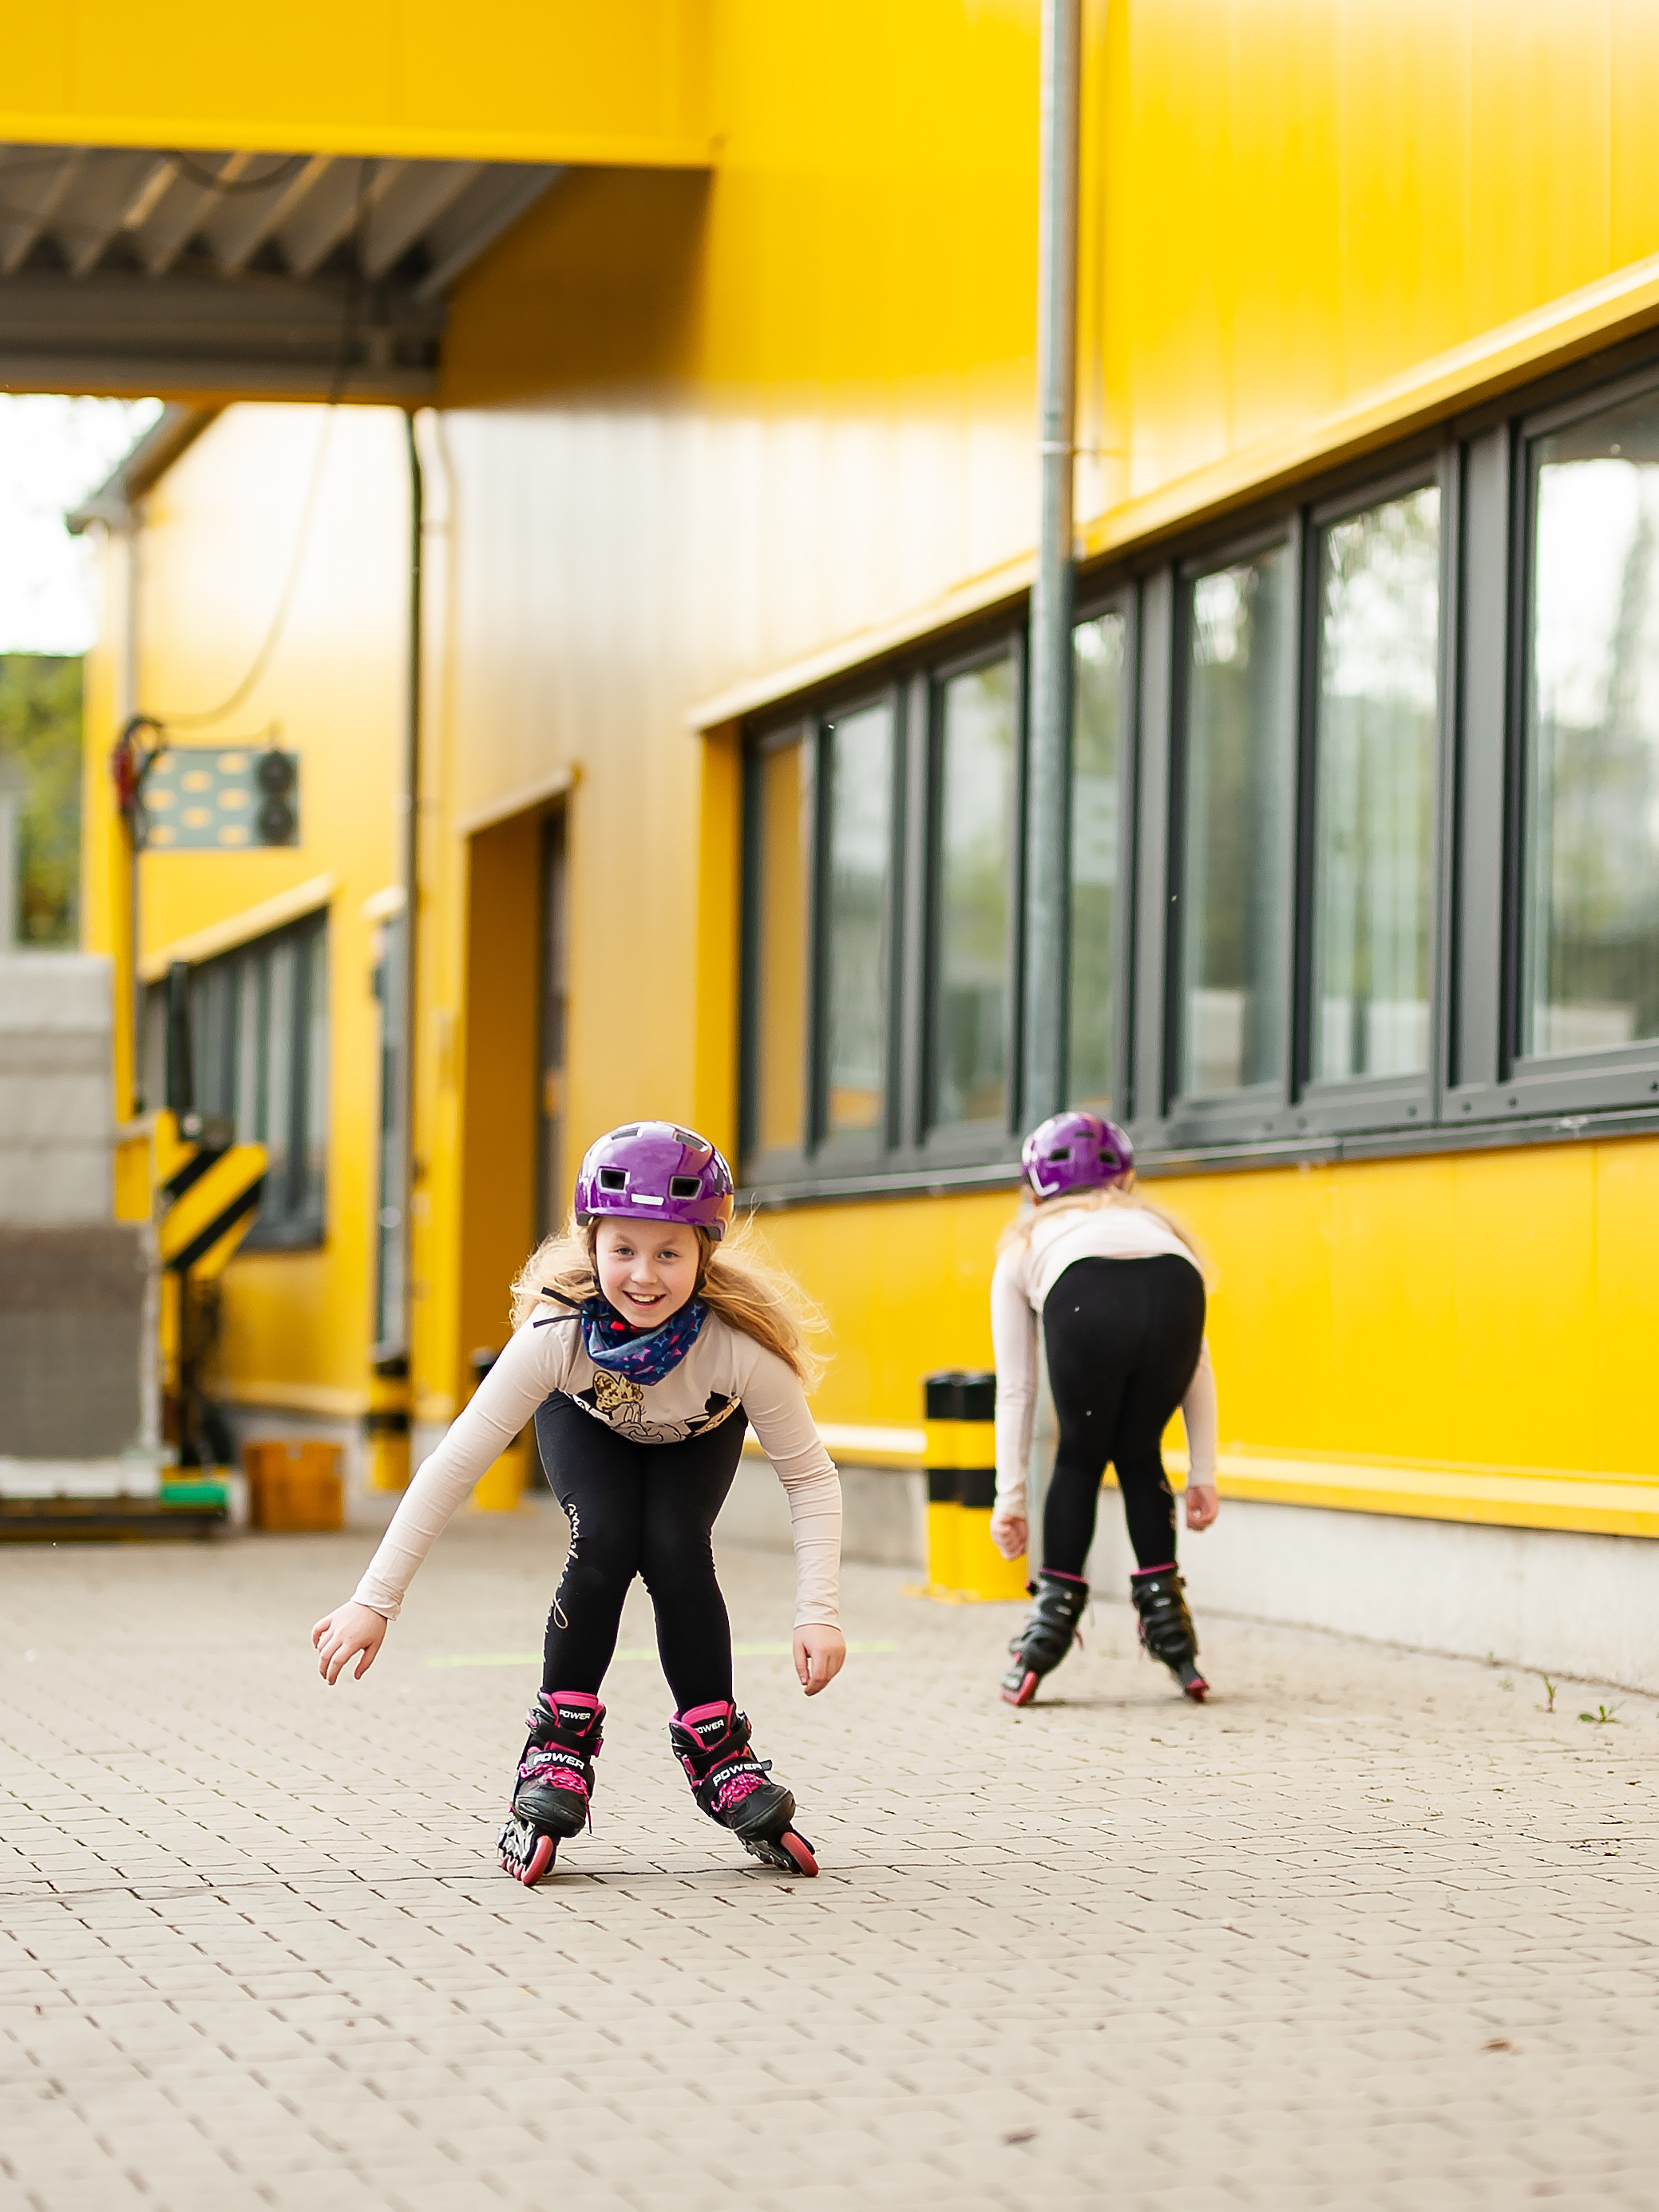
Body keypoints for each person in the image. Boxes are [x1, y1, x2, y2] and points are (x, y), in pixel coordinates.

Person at [311, 1122, 844, 1885]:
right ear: (592, 1244)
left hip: (697, 1434)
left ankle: (718, 1744)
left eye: (670, 1252)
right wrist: (375, 1600)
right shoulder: (556, 1333)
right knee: (605, 1539)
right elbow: (454, 1464)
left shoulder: (739, 1347)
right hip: (588, 1420)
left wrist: (817, 1610)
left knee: (674, 1548)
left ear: (704, 1252)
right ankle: (557, 1743)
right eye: (623, 1248)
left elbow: (810, 1477)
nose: (644, 1274)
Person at [989, 1110, 1219, 1707]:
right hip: (1177, 1286)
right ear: (1124, 1178)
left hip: (1080, 1289)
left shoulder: (1026, 1241)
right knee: (1139, 1454)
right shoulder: (1158, 1227)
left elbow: (1017, 1387)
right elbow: (1198, 1363)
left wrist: (1008, 1499)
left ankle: (1045, 1636)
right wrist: (1203, 1474)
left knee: (1081, 1457)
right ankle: (1175, 1638)